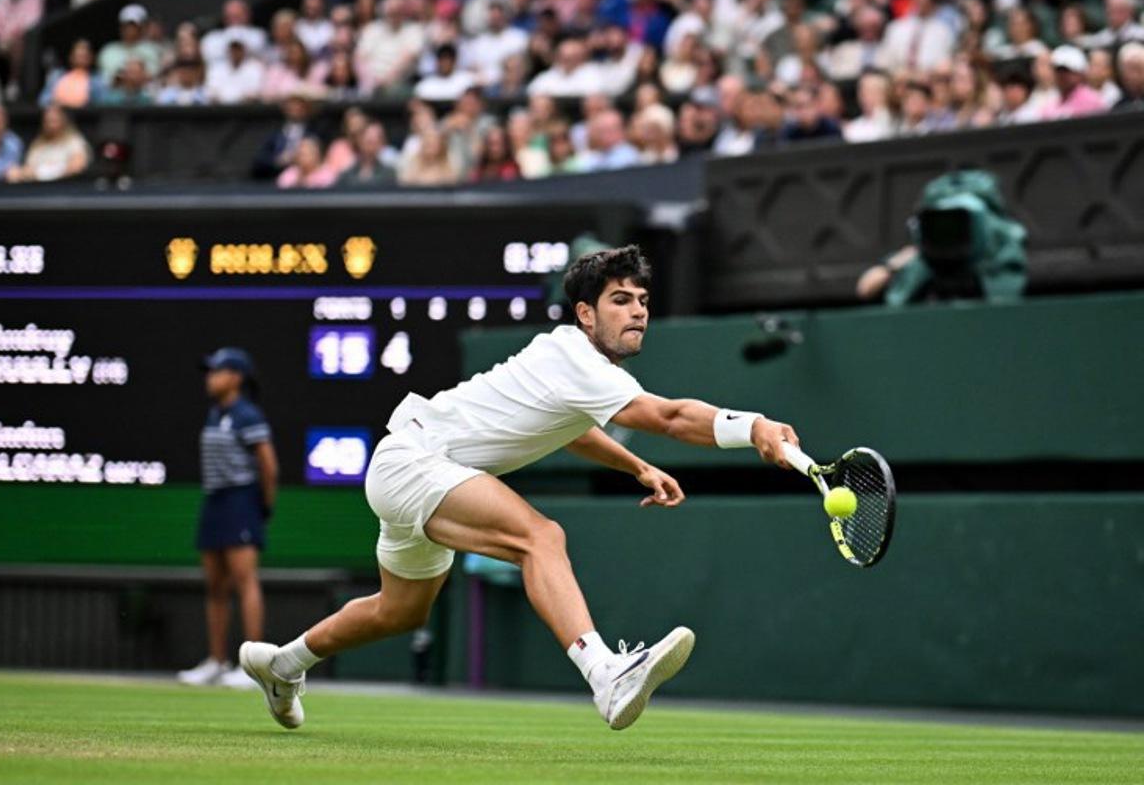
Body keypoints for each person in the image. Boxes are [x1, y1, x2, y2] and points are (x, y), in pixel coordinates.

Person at [238, 246, 801, 731]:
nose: (637, 313)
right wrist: (752, 426)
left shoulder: (573, 368)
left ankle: (281, 667)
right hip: (415, 461)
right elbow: (672, 418)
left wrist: (635, 467)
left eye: (643, 302)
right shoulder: (575, 356)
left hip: (414, 469)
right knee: (541, 537)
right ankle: (605, 675)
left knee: (399, 612)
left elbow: (572, 431)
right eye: (621, 301)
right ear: (586, 313)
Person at [179, 348, 278, 689]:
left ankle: (253, 667)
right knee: (215, 585)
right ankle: (217, 662)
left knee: (244, 580)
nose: (210, 378)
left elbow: (269, 467)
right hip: (215, 502)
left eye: (217, 371)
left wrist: (262, 507)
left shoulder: (248, 415)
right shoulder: (213, 414)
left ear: (235, 377)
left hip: (241, 501)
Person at [7, 104, 89, 182]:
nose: (51, 125)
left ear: (63, 121)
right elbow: (28, 170)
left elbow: (77, 166)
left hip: (67, 188)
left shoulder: (74, 141)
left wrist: (43, 173)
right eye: (48, 121)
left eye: (54, 121)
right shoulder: (37, 145)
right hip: (40, 191)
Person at [39, 39, 106, 107]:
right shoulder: (57, 75)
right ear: (71, 57)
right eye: (79, 56)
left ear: (91, 57)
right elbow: (43, 100)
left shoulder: (98, 79)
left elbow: (102, 102)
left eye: (85, 56)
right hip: (58, 112)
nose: (81, 60)